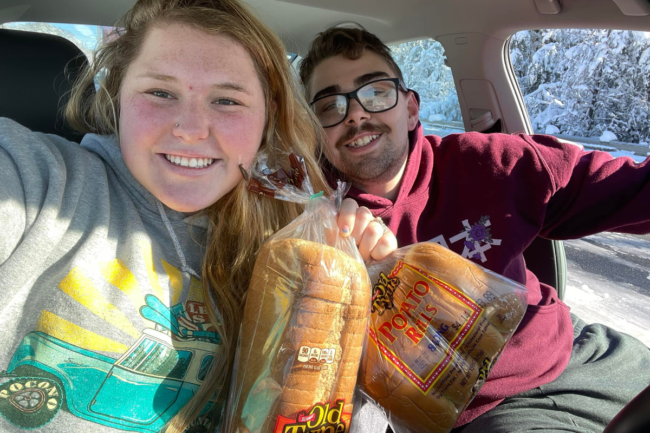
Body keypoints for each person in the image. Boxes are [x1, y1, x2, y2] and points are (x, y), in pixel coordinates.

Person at [0, 2, 397, 433]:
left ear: (267, 120)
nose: (190, 128)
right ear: (117, 98)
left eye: (227, 100)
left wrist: (360, 293)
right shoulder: (39, 183)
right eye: (161, 93)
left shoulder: (284, 243)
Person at [299, 27, 650, 432]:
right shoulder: (314, 223)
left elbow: (628, 189)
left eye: (376, 93)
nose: (357, 114)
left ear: (411, 109)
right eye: (329, 106)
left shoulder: (490, 164)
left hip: (585, 350)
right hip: (486, 412)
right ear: (314, 129)